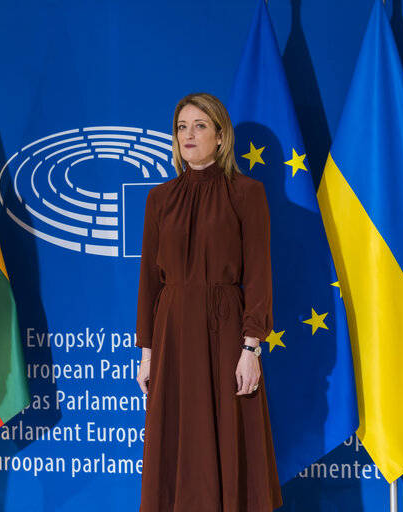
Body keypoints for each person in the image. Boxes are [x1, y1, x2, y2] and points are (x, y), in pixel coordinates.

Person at [135, 93, 282, 511]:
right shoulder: (159, 199)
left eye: (200, 126)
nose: (188, 135)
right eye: (182, 126)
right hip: (172, 333)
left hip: (227, 333)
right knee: (177, 440)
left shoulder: (247, 193)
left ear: (221, 136)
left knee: (228, 435)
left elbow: (258, 275)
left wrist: (251, 347)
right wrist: (146, 352)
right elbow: (149, 280)